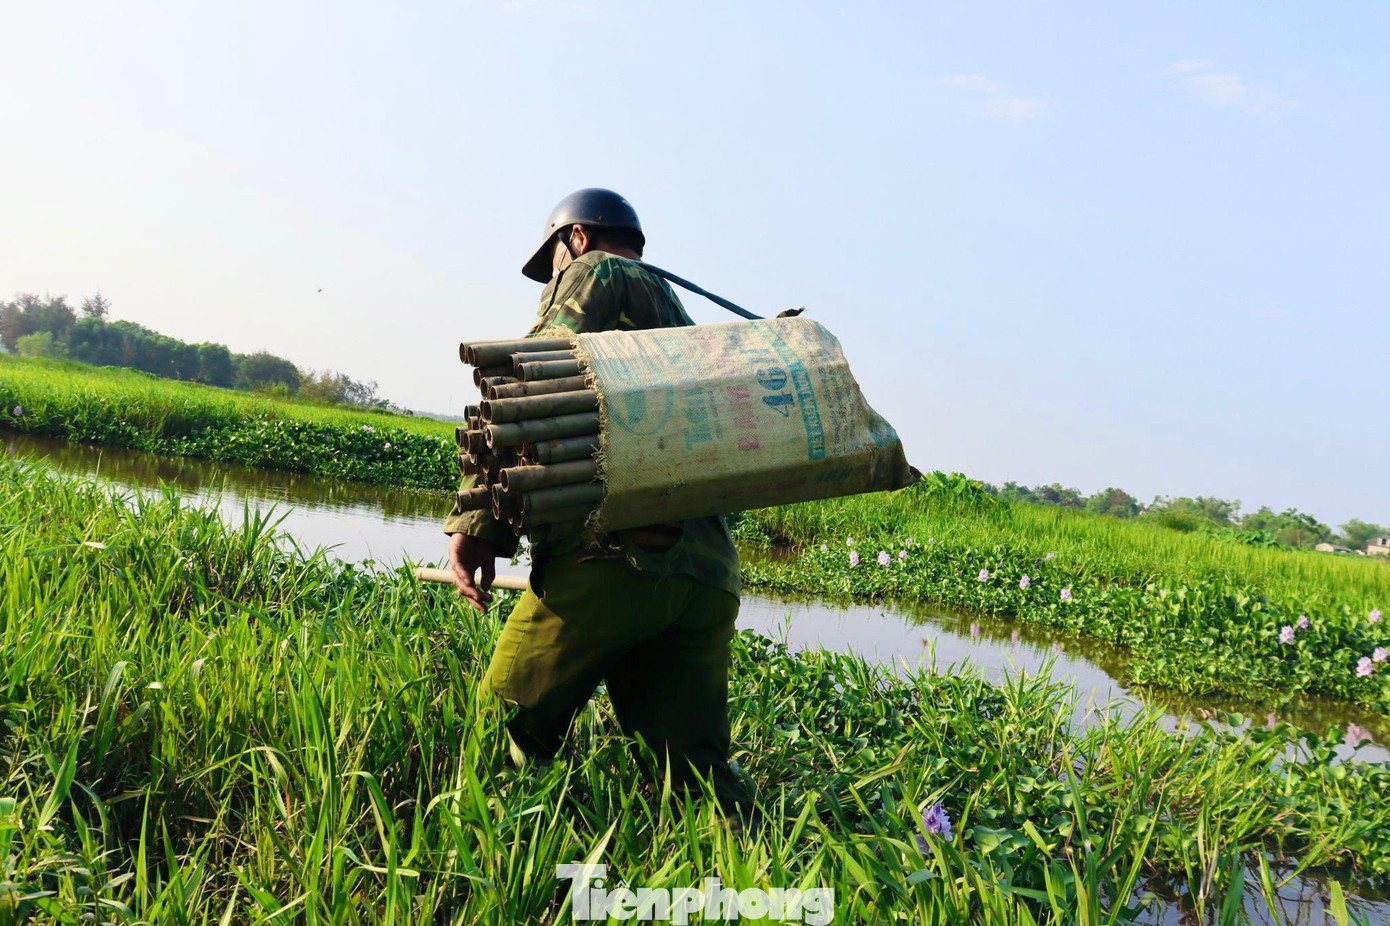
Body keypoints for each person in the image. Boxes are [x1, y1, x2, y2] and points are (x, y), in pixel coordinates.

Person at [444, 188, 753, 815]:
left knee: (501, 737)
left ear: (575, 239)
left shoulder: (592, 271)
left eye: (553, 259)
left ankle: (496, 874)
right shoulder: (680, 323)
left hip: (613, 563)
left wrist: (479, 524)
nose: (554, 275)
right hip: (705, 578)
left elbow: (527, 388)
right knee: (694, 778)